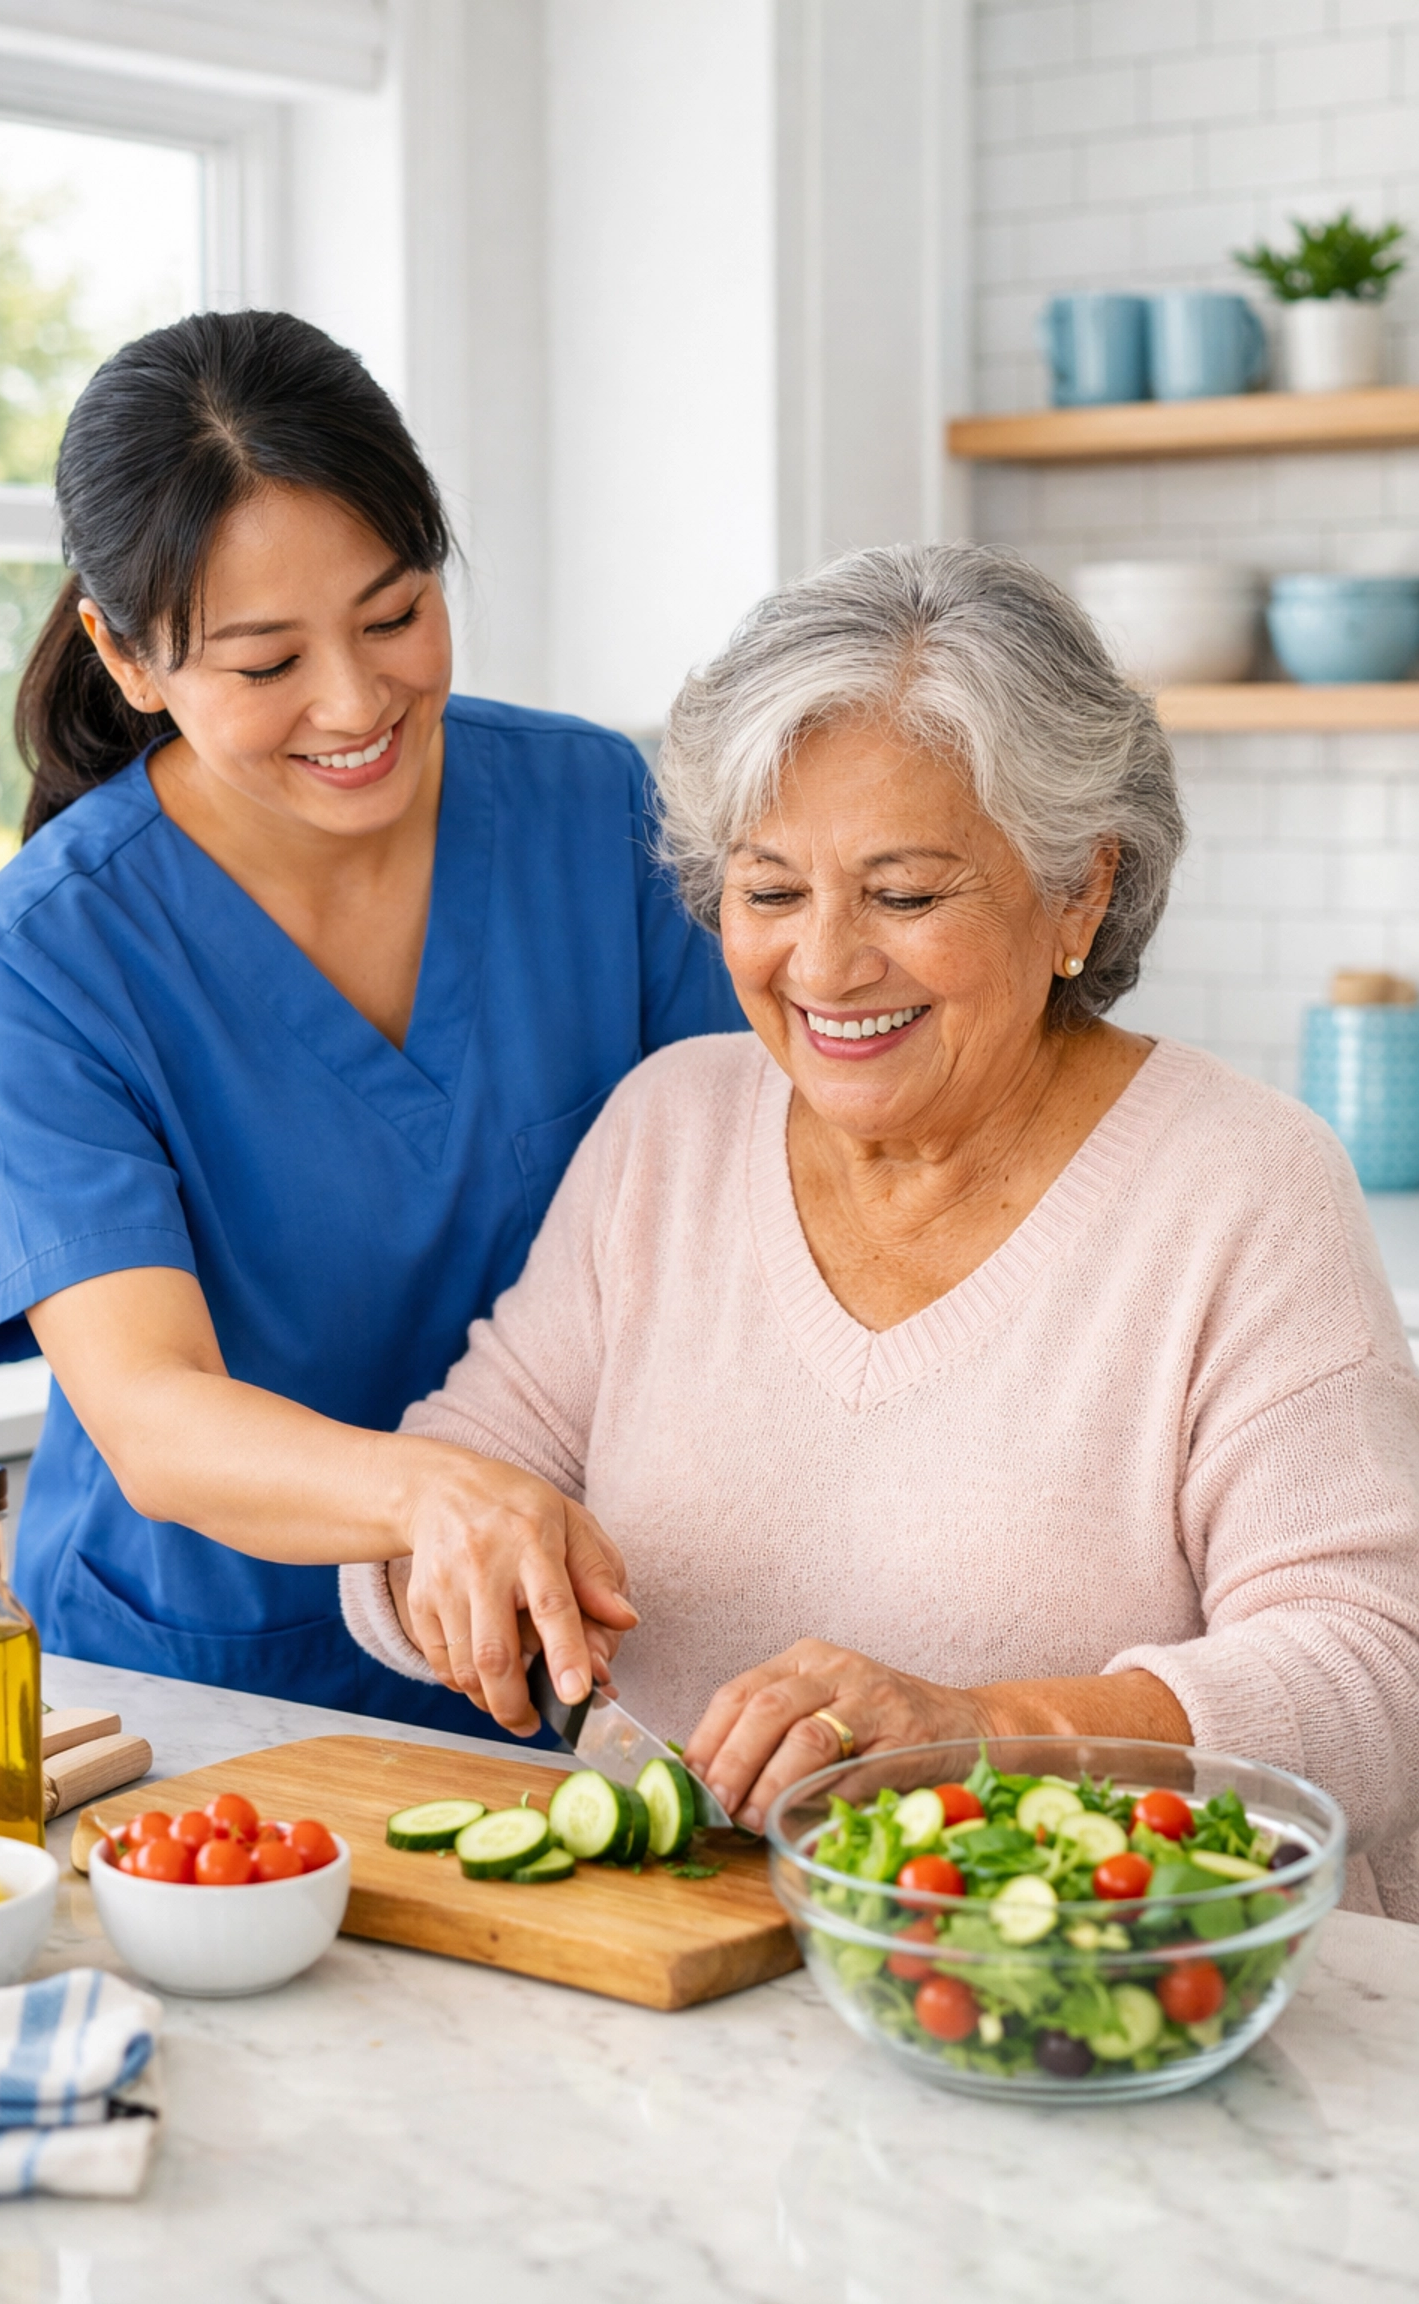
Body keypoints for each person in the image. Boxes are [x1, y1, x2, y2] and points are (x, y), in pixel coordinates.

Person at [341, 542, 1419, 1916]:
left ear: (1078, 890)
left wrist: (990, 1734)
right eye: (770, 891)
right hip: (706, 1980)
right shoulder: (668, 1130)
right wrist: (449, 1556)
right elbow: (453, 1476)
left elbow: (1376, 1677)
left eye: (904, 896)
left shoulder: (1244, 1186)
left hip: (1121, 2005)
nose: (827, 965)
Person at [0, 309, 740, 1726]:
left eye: (396, 614)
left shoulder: (593, 811)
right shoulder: (46, 958)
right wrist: (438, 1491)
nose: (359, 700)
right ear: (128, 661)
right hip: (196, 1681)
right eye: (264, 665)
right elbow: (154, 1416)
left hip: (558, 1642)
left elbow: (741, 1209)